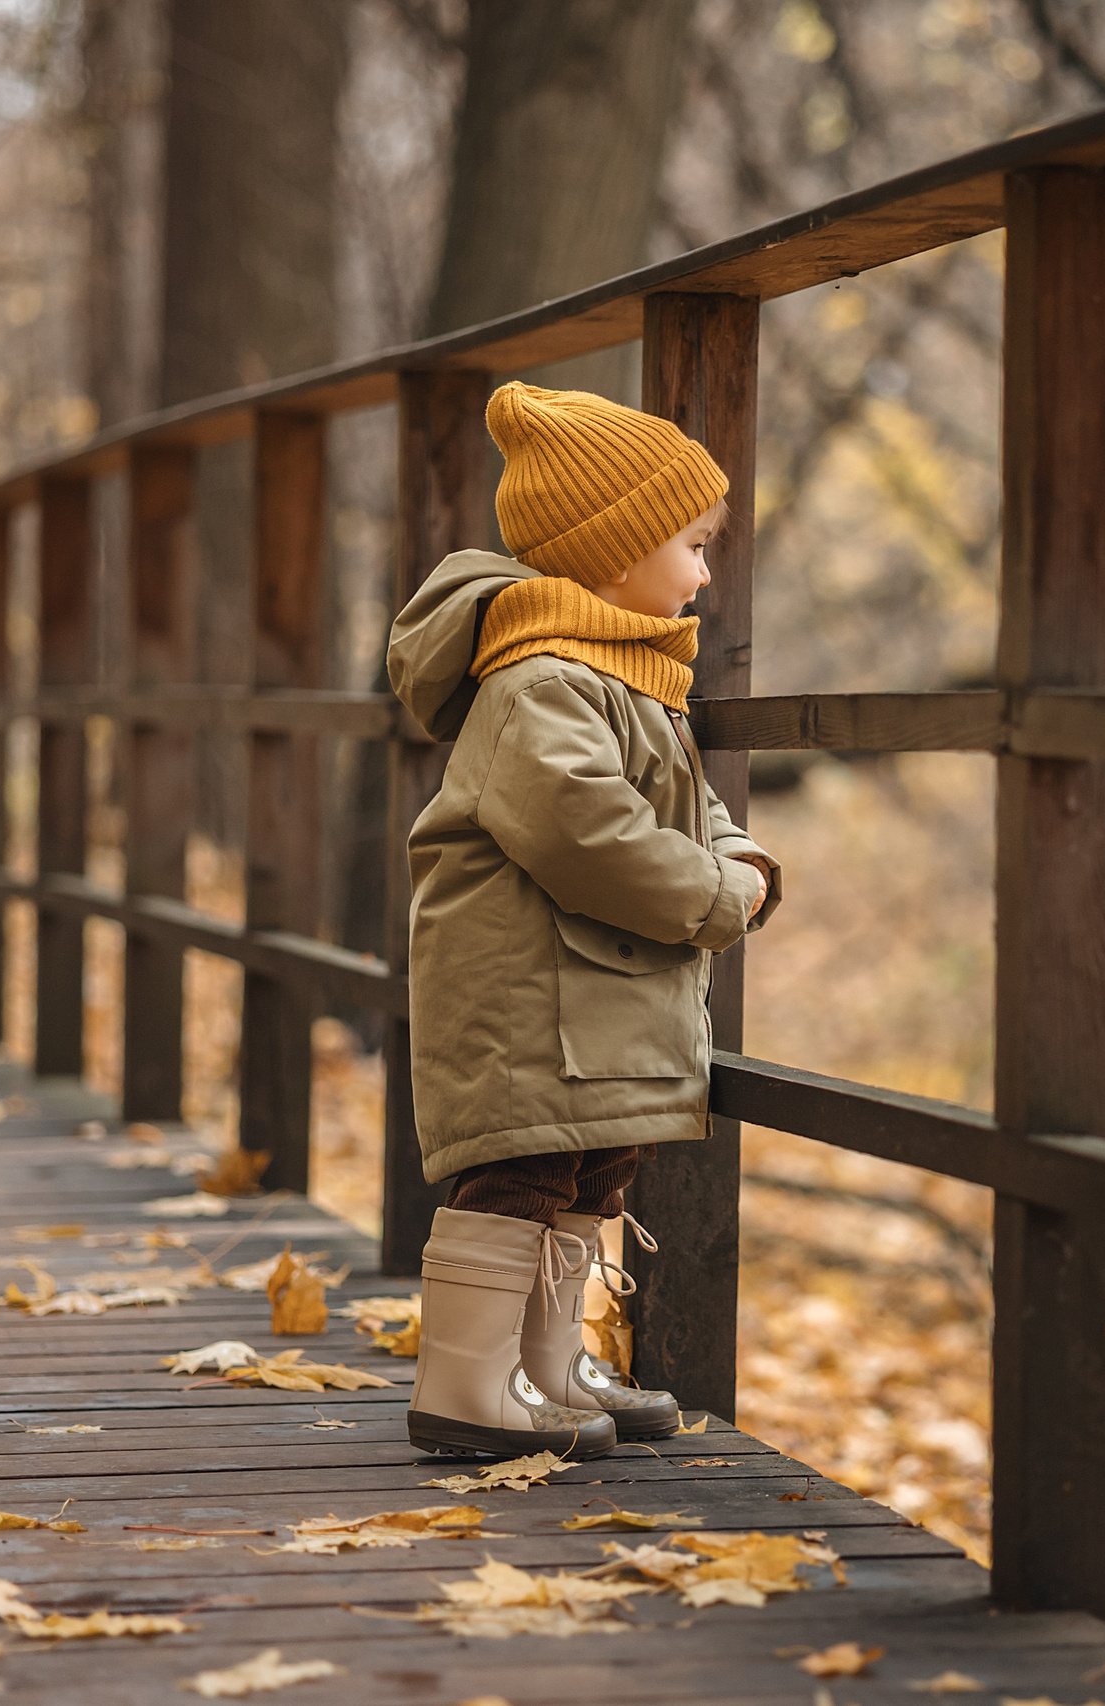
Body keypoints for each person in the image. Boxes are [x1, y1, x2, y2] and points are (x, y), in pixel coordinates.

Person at [385, 381, 781, 1460]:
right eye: (691, 545)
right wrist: (708, 897)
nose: (705, 573)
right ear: (613, 550)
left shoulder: (626, 667)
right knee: (519, 1171)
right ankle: (465, 1381)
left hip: (591, 990)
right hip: (529, 988)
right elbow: (584, 828)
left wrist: (736, 850)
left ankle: (545, 1368)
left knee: (592, 1167)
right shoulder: (540, 679)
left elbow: (681, 795)